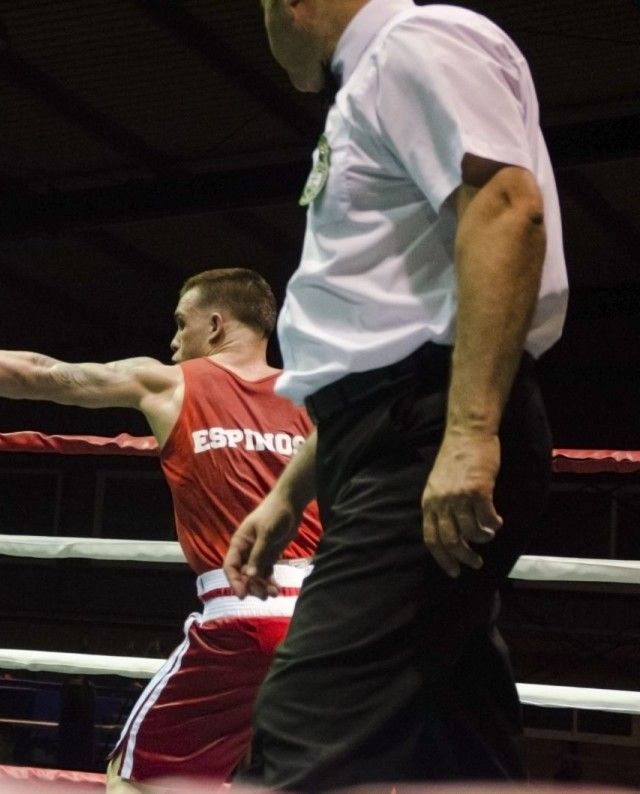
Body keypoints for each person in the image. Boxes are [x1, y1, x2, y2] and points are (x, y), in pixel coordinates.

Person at [224, 1, 568, 789]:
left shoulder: (417, 43)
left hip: (426, 435)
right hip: (397, 431)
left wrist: (471, 431)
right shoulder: (378, 78)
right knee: (452, 739)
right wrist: (287, 497)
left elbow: (506, 209)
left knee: (304, 735)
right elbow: (383, 329)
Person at [0, 268, 321, 789]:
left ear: (215, 325)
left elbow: (49, 375)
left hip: (239, 618)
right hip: (324, 619)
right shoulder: (315, 400)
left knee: (134, 779)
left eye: (180, 325)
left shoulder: (170, 381)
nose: (173, 344)